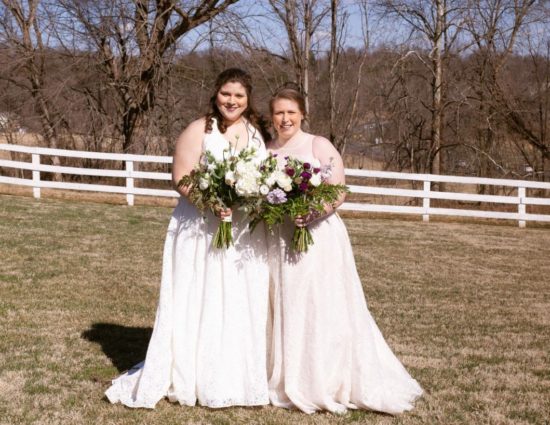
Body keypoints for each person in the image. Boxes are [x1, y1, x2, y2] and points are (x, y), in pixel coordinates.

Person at [105, 68, 271, 409]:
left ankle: (233, 372)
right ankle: (191, 371)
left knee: (238, 296)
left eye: (239, 95)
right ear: (216, 93)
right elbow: (181, 177)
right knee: (200, 292)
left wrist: (245, 201)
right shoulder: (200, 129)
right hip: (200, 225)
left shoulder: (255, 134)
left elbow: (261, 177)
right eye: (226, 93)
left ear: (248, 99)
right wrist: (212, 204)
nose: (232, 101)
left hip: (240, 230)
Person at [266, 85, 423, 415]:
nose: (285, 118)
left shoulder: (318, 145)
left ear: (302, 114)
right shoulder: (266, 151)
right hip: (280, 238)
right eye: (279, 112)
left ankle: (327, 378)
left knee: (321, 302)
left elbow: (337, 191)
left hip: (319, 235)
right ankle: (287, 376)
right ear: (271, 116)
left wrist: (310, 213)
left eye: (291, 112)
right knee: (287, 302)